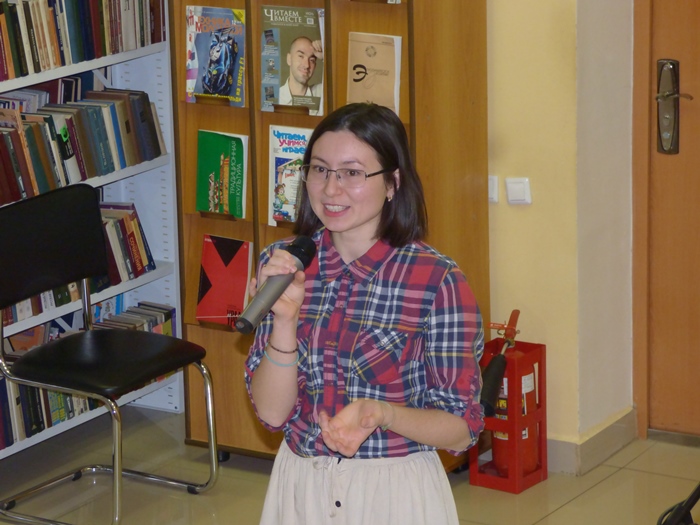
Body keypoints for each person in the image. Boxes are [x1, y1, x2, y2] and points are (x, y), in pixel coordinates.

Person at [244, 103, 484, 525]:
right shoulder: (283, 266)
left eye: (352, 173)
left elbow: (462, 428)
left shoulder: (436, 280)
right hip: (300, 485)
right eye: (319, 170)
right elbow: (272, 413)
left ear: (392, 183)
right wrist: (285, 321)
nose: (330, 189)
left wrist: (384, 414)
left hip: (393, 492)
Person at [277, 36, 323, 114]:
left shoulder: (321, 93)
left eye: (312, 60)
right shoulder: (274, 98)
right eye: (301, 56)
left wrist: (325, 56)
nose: (307, 65)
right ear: (289, 59)